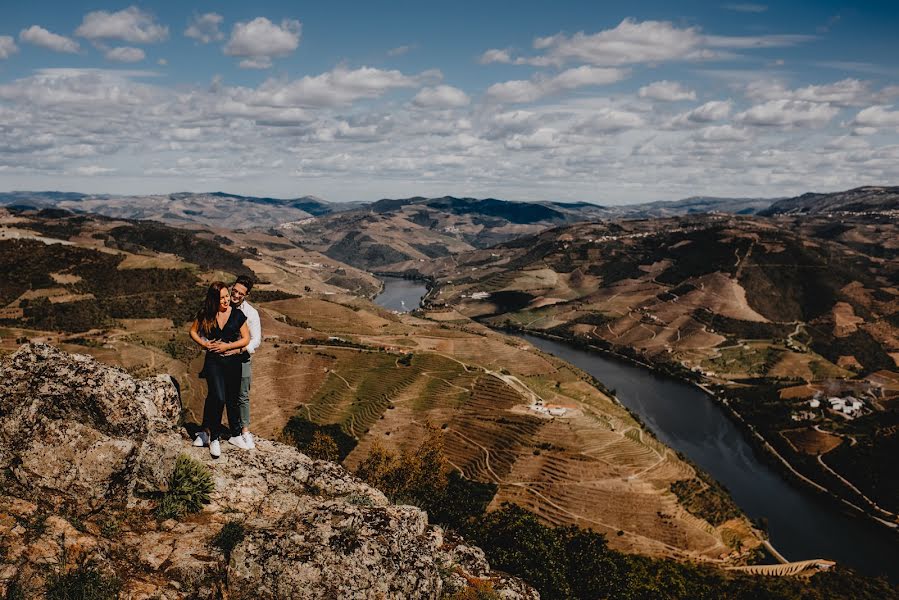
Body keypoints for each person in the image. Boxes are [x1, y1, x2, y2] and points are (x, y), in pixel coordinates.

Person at [189, 281, 250, 458]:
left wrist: (227, 347)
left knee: (231, 399)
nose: (226, 300)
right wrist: (205, 344)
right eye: (221, 297)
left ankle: (234, 435)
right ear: (213, 300)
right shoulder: (206, 314)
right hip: (214, 362)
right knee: (218, 397)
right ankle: (213, 437)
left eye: (226, 296)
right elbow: (193, 332)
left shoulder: (237, 314)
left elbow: (246, 339)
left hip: (233, 363)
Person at [223, 275, 261, 450]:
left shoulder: (251, 313)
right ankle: (214, 429)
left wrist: (239, 350)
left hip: (241, 357)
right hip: (223, 357)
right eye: (234, 291)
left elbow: (256, 340)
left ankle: (244, 431)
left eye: (240, 293)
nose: (236, 295)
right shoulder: (222, 306)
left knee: (242, 395)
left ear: (247, 295)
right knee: (219, 394)